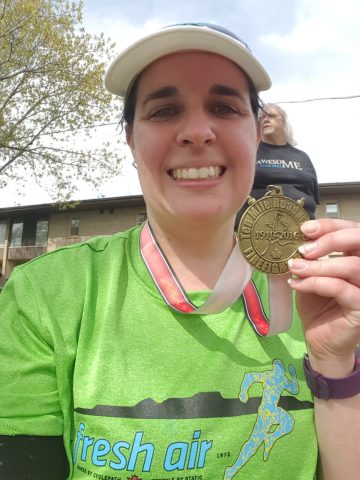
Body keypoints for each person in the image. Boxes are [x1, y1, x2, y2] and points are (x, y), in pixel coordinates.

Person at [0, 23, 359, 480]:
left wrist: (335, 364)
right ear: (130, 139)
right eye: (165, 110)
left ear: (256, 135)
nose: (196, 131)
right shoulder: (45, 295)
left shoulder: (330, 296)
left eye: (224, 107)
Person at [235, 103, 319, 230]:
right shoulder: (248, 153)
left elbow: (312, 196)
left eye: (271, 116)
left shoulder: (302, 157)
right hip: (252, 234)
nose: (265, 119)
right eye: (262, 117)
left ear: (283, 122)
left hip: (299, 234)